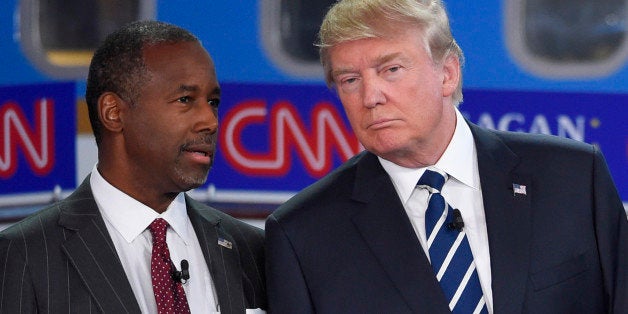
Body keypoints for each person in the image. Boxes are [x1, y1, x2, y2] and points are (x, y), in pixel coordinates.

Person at [265, 0, 628, 313]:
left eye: (390, 69)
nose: (370, 96)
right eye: (349, 80)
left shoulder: (575, 179)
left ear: (448, 74)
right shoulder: (304, 235)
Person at [0, 20, 266, 313]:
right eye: (185, 99)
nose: (211, 121)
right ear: (113, 113)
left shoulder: (251, 250)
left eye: (213, 102)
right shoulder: (25, 254)